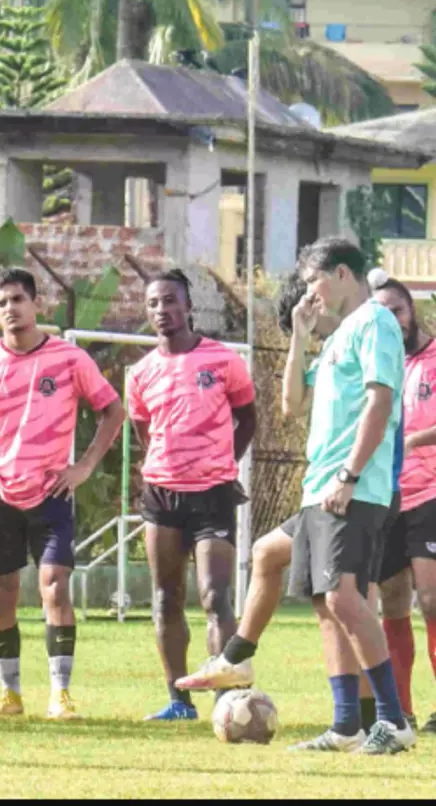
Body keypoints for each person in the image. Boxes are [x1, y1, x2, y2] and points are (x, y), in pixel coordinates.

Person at [179, 238, 413, 755]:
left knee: (343, 599)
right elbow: (290, 405)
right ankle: (345, 724)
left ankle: (394, 721)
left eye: (314, 280)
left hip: (353, 489)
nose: (308, 293)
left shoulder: (375, 322)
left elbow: (380, 403)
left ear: (344, 275)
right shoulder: (335, 339)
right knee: (309, 590)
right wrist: (299, 338)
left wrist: (349, 476)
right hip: (320, 490)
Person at [0, 268, 123, 722]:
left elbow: (112, 410)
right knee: (2, 594)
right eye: (2, 301)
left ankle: (60, 694)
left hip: (51, 492)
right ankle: (10, 695)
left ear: (36, 303)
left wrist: (83, 467)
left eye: (18, 300)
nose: (11, 309)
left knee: (54, 586)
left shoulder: (68, 359)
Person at [129, 269, 258, 722]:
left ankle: (227, 695)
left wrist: (224, 461)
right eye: (152, 304)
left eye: (169, 301)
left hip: (213, 494)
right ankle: (178, 701)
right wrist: (167, 468)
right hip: (162, 495)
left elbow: (248, 418)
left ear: (188, 306)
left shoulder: (222, 360)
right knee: (165, 597)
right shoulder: (141, 372)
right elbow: (145, 429)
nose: (161, 310)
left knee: (212, 595)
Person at [373, 275, 426, 727]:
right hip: (386, 496)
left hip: (431, 493)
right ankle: (400, 710)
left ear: (412, 314)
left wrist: (412, 440)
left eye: (398, 310)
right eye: (382, 312)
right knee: (392, 600)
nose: (391, 319)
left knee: (431, 598)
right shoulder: (376, 363)